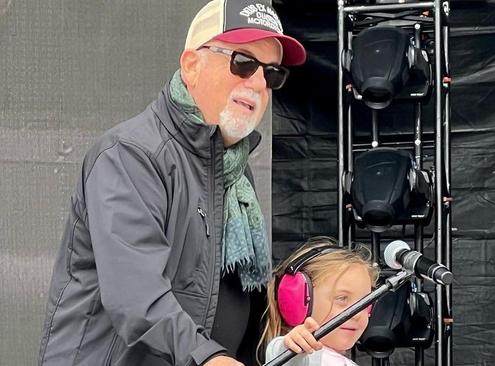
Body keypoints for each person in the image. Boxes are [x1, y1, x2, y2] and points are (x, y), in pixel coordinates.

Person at [38, 1, 306, 365]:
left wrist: (284, 337)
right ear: (191, 66)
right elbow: (135, 291)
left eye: (272, 74)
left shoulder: (234, 172)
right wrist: (207, 356)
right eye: (242, 63)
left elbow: (235, 295)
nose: (258, 83)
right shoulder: (132, 154)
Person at [262, 237, 379, 366]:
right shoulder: (303, 356)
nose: (357, 314)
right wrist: (292, 346)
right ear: (297, 302)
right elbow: (286, 354)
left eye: (365, 303)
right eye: (342, 299)